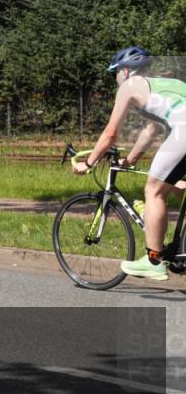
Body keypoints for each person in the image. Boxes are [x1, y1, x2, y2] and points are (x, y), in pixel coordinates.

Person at [73, 46, 186, 281]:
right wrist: (131, 159)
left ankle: (154, 260)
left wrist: (89, 163)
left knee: (153, 191)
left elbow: (110, 134)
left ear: (125, 71)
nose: (115, 79)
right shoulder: (164, 84)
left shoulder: (129, 86)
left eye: (115, 73)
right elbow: (151, 129)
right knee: (172, 183)